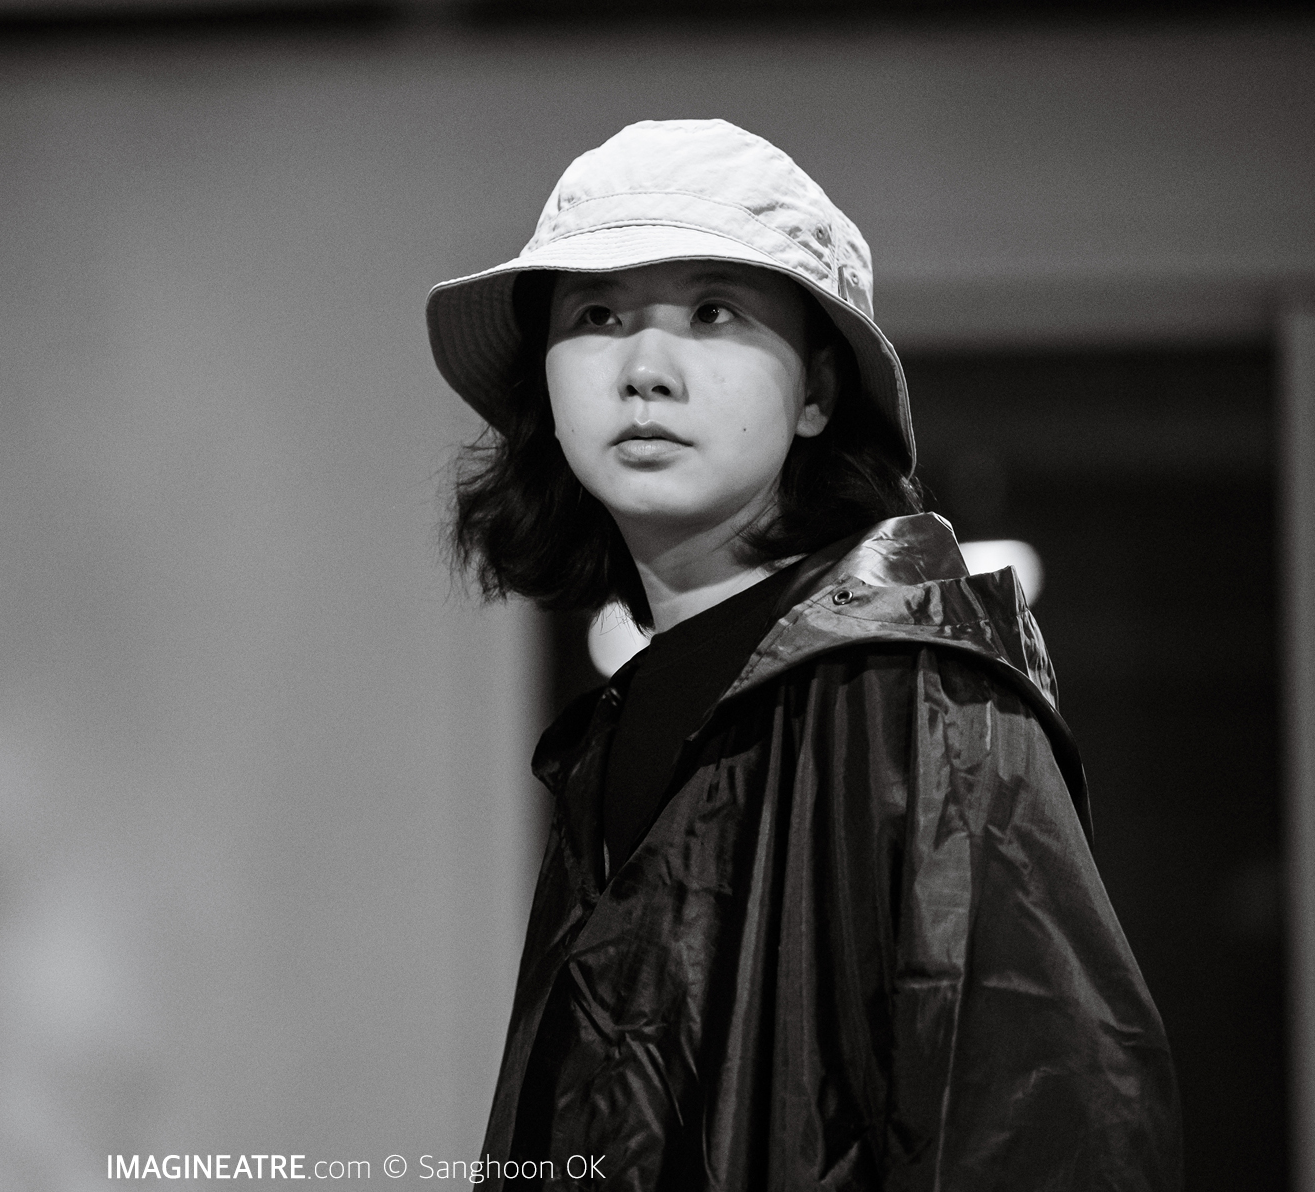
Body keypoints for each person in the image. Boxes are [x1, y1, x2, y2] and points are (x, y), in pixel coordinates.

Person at [427, 119, 1181, 1191]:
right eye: (597, 316)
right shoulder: (623, 727)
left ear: (819, 390)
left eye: (713, 313)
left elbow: (1050, 1123)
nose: (645, 370)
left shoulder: (912, 689)